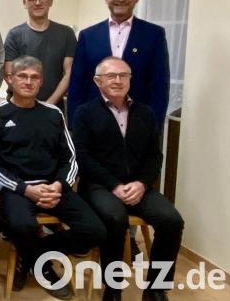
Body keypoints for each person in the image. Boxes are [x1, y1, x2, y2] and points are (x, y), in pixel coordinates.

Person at [0, 56, 105, 300]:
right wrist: (24, 189)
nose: (28, 82)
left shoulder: (53, 113)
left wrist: (59, 186)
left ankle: (32, 255)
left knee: (95, 231)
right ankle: (44, 268)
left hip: (54, 187)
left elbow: (70, 158)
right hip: (16, 190)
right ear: (10, 79)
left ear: (41, 82)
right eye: (22, 76)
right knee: (22, 226)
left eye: (34, 77)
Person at [72, 57, 183, 301]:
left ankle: (155, 288)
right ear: (97, 81)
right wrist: (114, 185)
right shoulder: (84, 113)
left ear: (130, 80)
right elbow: (82, 156)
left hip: (138, 186)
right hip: (99, 185)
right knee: (114, 218)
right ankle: (113, 288)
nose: (118, 80)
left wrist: (142, 183)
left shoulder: (145, 113)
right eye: (111, 76)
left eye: (124, 75)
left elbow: (155, 157)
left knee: (172, 220)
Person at [68, 0, 170, 127]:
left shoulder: (153, 34)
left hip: (138, 122)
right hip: (94, 122)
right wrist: (75, 124)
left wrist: (155, 126)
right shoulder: (88, 35)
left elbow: (159, 84)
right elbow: (77, 83)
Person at [4, 0, 77, 109]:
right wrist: (29, 104)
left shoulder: (66, 34)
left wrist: (48, 106)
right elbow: (9, 74)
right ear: (24, 3)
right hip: (18, 108)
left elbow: (69, 72)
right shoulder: (14, 35)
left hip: (53, 108)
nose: (38, 3)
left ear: (51, 1)